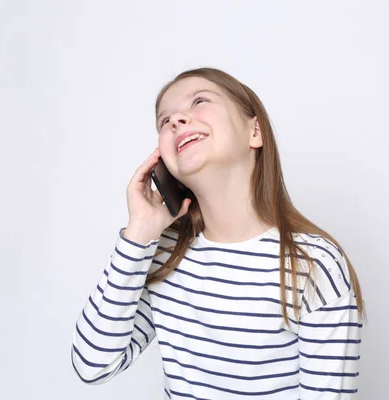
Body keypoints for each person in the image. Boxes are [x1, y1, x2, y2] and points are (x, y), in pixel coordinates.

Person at [71, 67, 366, 399]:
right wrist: (138, 234)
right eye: (164, 121)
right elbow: (92, 364)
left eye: (199, 101)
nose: (176, 121)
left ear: (255, 131)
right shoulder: (164, 254)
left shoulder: (312, 264)